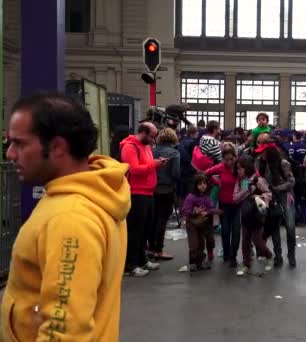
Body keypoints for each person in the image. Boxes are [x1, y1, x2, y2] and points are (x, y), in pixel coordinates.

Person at [1, 93, 130, 341]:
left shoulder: (71, 218)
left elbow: (64, 330)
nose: (10, 154)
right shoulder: (95, 192)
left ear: (58, 146)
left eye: (20, 144)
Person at [121, 122, 166, 276]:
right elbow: (133, 169)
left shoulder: (145, 146)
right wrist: (154, 164)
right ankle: (131, 265)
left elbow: (146, 166)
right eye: (152, 136)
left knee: (145, 230)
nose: (154, 140)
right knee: (135, 231)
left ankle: (141, 260)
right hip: (136, 193)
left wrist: (155, 164)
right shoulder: (129, 147)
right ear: (144, 133)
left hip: (147, 193)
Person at [256, 142, 297, 267]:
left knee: (290, 227)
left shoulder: (283, 163)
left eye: (263, 152)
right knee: (274, 228)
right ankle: (278, 256)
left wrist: (277, 188)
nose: (261, 154)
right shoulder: (261, 163)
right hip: (272, 199)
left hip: (286, 198)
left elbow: (291, 182)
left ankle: (291, 255)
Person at [233, 156, 274, 276]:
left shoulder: (258, 180)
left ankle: (268, 255)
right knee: (245, 241)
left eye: (241, 168)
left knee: (257, 241)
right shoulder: (240, 181)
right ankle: (246, 265)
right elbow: (235, 198)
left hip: (257, 214)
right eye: (237, 168)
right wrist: (246, 191)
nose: (239, 171)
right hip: (245, 214)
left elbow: (269, 194)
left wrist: (259, 197)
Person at [205, 148, 239, 267]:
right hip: (224, 204)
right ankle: (226, 255)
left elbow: (254, 174)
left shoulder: (239, 166)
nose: (229, 162)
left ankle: (233, 257)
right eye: (226, 160)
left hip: (238, 204)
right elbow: (206, 173)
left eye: (231, 159)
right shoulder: (220, 167)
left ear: (235, 157)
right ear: (223, 159)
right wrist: (215, 182)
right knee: (225, 231)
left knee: (236, 231)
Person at [150, 128, 181, 261]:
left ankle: (151, 248)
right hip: (167, 189)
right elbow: (175, 173)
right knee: (162, 220)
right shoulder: (174, 153)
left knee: (153, 220)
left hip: (151, 188)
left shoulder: (152, 151)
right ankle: (159, 250)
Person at [181, 173, 221, 271]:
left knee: (201, 243)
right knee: (194, 244)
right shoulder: (191, 197)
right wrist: (195, 211)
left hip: (202, 224)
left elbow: (212, 209)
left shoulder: (206, 197)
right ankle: (192, 263)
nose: (203, 185)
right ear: (196, 185)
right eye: (200, 184)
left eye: (204, 183)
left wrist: (206, 212)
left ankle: (200, 262)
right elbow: (185, 210)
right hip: (191, 224)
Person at [176, 125, 199, 205]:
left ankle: (181, 212)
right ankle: (188, 212)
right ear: (193, 133)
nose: (198, 134)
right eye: (196, 132)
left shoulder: (181, 142)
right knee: (190, 194)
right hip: (190, 172)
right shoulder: (193, 143)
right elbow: (195, 158)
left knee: (182, 194)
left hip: (181, 171)